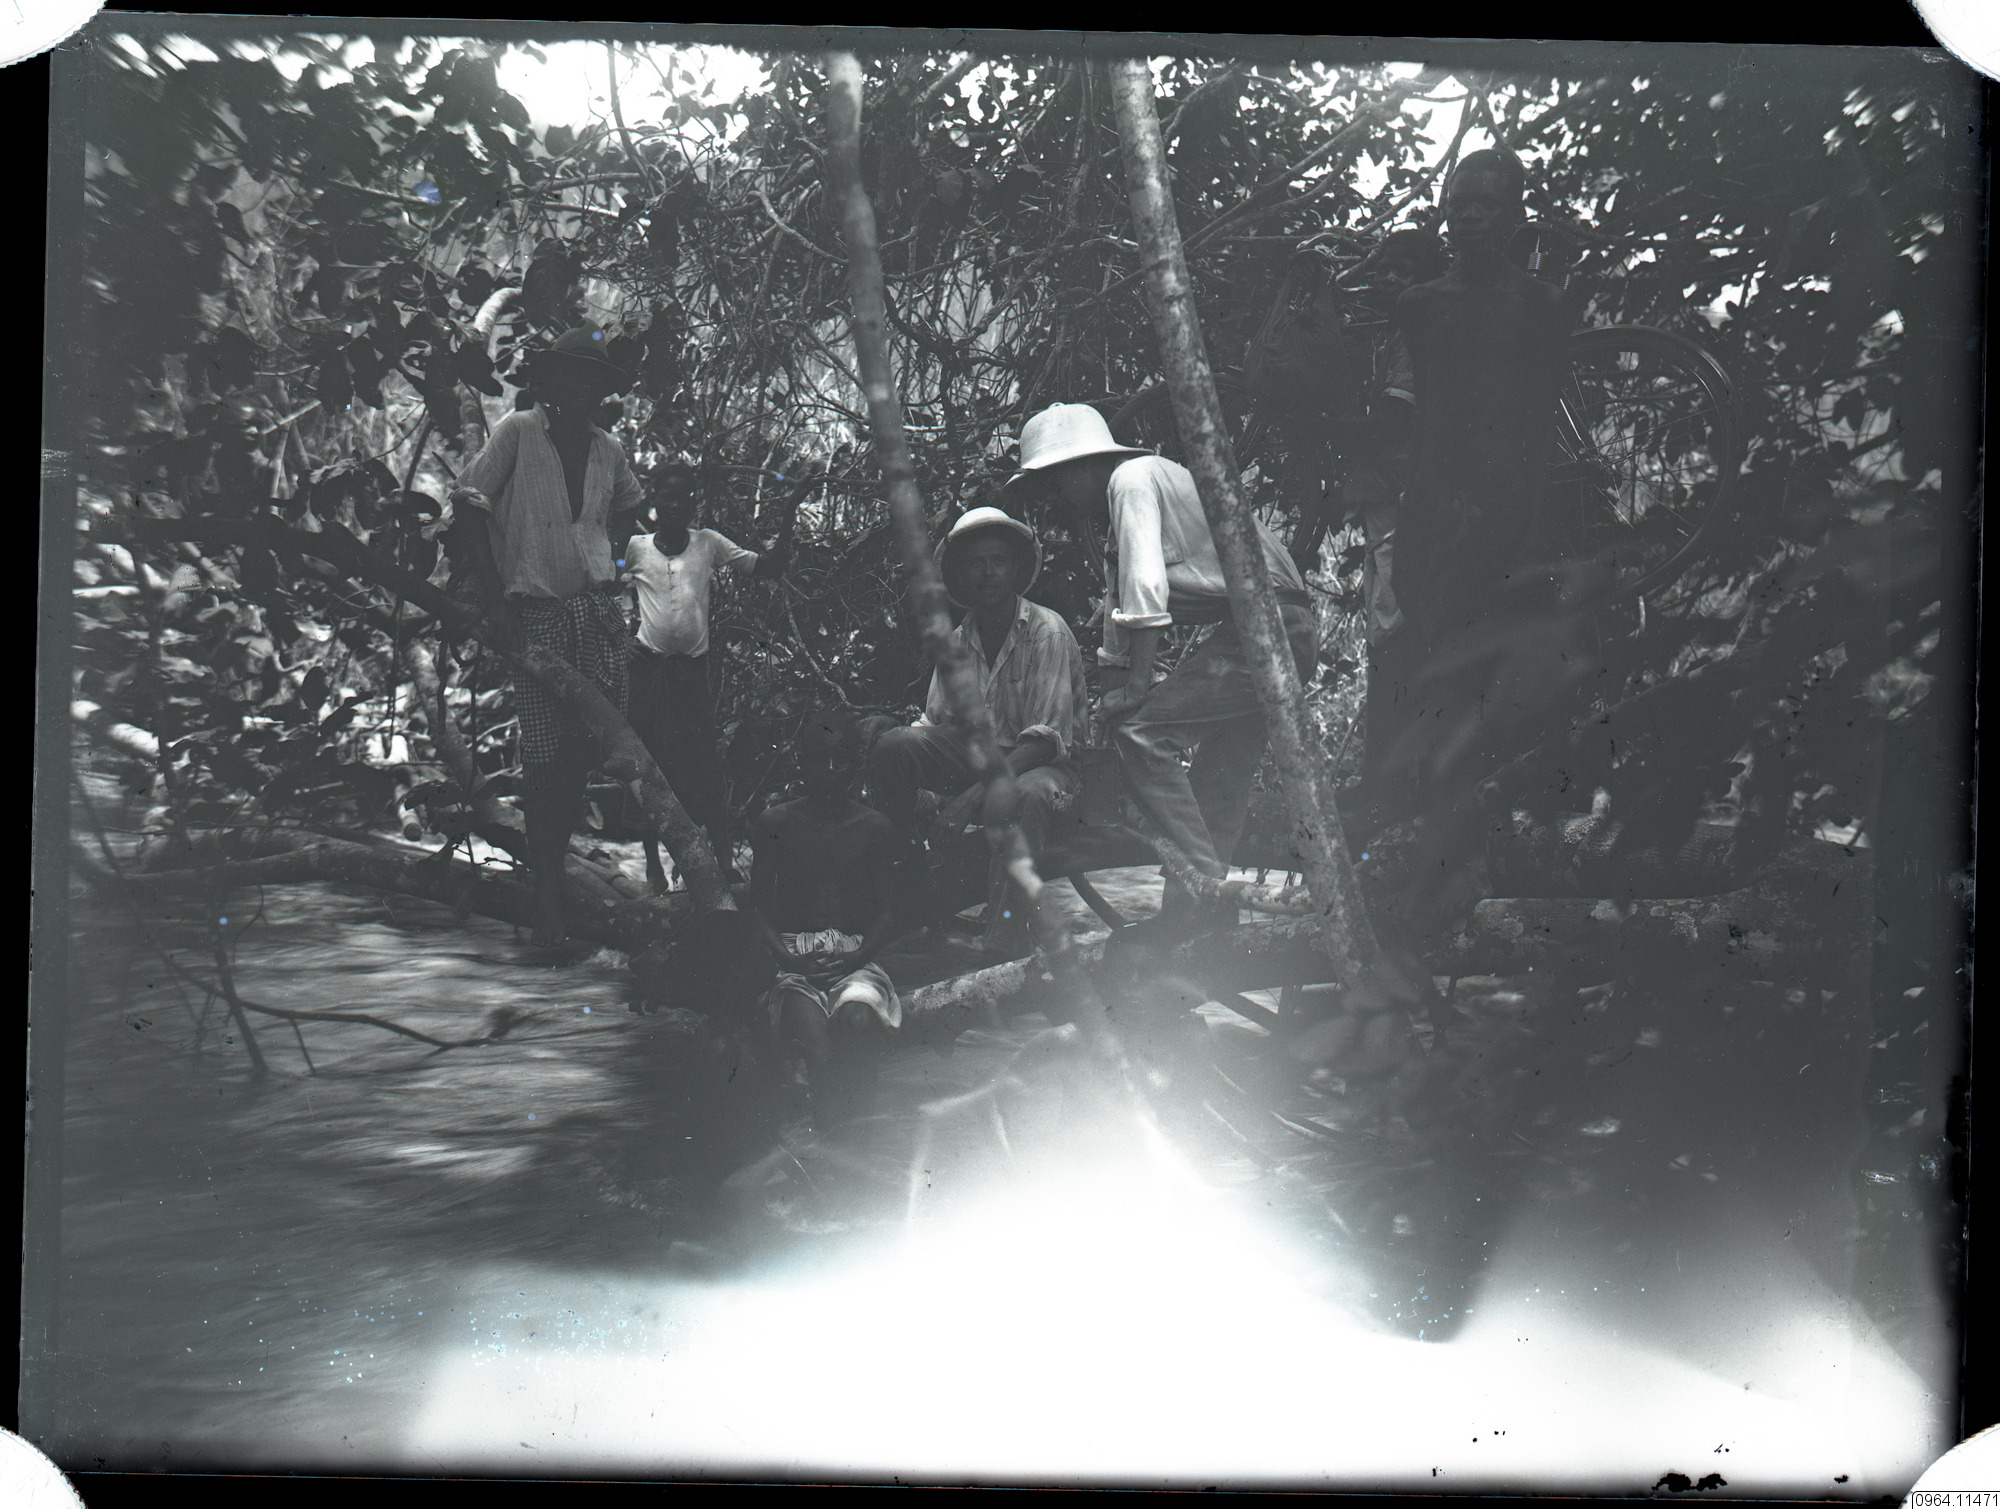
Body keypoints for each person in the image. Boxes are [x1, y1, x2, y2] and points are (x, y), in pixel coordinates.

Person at [1012, 404, 1318, 930]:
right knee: (1217, 784)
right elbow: (1118, 624)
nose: (1055, 498)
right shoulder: (1125, 513)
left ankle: (1204, 886)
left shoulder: (1131, 480)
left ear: (1081, 467)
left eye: (1055, 483)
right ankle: (1194, 923)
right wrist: (1109, 709)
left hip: (1269, 629)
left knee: (1144, 733)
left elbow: (1145, 588)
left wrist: (1134, 693)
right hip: (1271, 631)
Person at [1385, 148, 1584, 916]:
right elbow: (1426, 422)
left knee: (1500, 683)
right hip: (1436, 511)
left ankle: (1486, 862)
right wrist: (1416, 517)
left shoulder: (1540, 305)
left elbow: (1538, 425)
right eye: (1458, 201)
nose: (1468, 216)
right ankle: (1437, 863)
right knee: (1433, 677)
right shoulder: (1420, 304)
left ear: (1514, 218)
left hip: (1509, 511)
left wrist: (1526, 527)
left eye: (1486, 204)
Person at [447, 325, 646, 947]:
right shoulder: (518, 431)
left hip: (593, 612)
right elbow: (468, 505)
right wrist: (494, 599)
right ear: (552, 381)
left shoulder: (608, 450)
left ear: (601, 389)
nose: (581, 389)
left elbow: (627, 508)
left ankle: (552, 880)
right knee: (543, 759)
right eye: (571, 377)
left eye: (593, 380)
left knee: (584, 753)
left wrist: (613, 560)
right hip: (534, 614)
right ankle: (550, 900)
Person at [865, 506, 1089, 961]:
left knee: (1022, 794)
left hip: (1044, 767)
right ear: (962, 575)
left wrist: (967, 801)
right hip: (980, 760)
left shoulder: (1046, 631)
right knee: (896, 746)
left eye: (998, 561)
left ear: (1015, 569)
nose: (987, 573)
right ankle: (911, 872)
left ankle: (1003, 945)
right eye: (976, 563)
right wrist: (914, 778)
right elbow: (933, 726)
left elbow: (1043, 743)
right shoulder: (958, 641)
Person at [622, 462, 787, 891]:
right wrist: (619, 640)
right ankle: (653, 868)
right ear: (654, 501)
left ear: (693, 503)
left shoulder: (708, 543)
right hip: (648, 672)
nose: (675, 505)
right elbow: (599, 586)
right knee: (647, 765)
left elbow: (767, 567)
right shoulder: (636, 548)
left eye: (683, 497)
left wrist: (789, 512)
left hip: (692, 673)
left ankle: (721, 862)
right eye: (667, 497)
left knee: (703, 764)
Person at [748, 707, 905, 1131]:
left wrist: (857, 959)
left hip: (855, 955)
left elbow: (889, 910)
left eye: (841, 760)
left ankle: (859, 1137)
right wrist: (789, 960)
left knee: (858, 1021)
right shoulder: (776, 823)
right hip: (793, 958)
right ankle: (832, 1137)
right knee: (815, 1043)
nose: (831, 771)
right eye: (821, 759)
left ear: (856, 766)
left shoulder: (874, 827)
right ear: (803, 763)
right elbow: (758, 908)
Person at [1337, 227, 1445, 820]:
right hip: (1394, 498)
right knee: (1388, 629)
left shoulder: (1413, 336)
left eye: (1400, 270)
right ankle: (1386, 783)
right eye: (1382, 269)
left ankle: (1387, 787)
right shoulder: (1403, 332)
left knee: (1393, 630)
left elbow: (1393, 422)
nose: (1386, 280)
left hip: (1402, 497)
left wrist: (1336, 427)